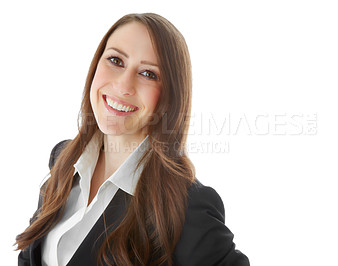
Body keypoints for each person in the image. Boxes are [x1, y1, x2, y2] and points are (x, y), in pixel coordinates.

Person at [15, 13, 250, 266]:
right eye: (115, 60)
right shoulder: (63, 160)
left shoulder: (186, 208)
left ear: (170, 95)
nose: (123, 85)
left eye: (148, 74)